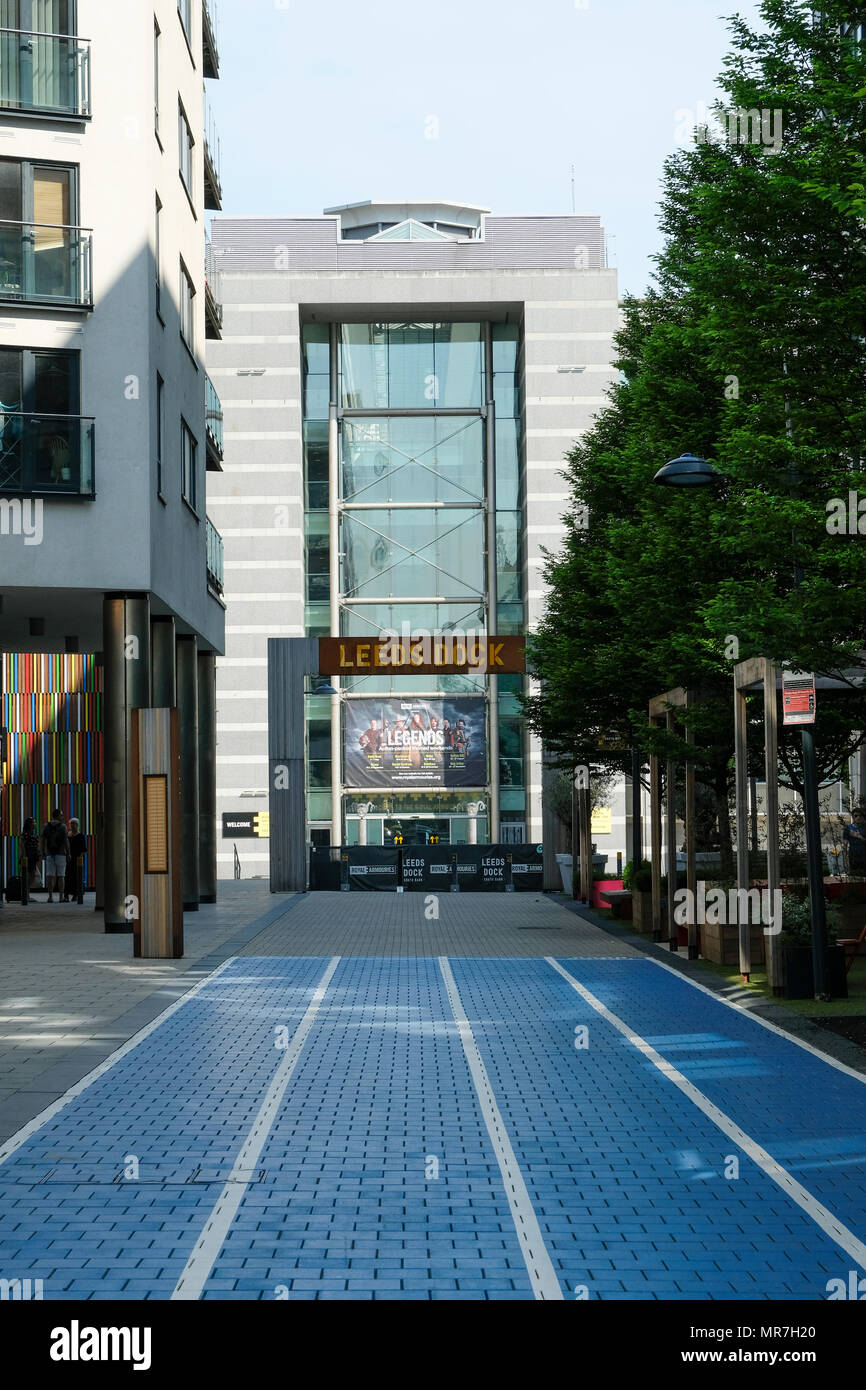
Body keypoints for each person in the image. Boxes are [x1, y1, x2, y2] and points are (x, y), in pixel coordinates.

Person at [41, 807, 69, 903]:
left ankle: (50, 897)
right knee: (61, 875)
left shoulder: (46, 826)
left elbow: (43, 840)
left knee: (50, 875)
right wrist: (68, 853)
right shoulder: (63, 826)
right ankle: (61, 897)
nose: (62, 817)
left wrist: (43, 851)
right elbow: (66, 841)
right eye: (61, 815)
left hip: (49, 854)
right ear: (57, 816)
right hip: (61, 854)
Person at [64, 818, 86, 903]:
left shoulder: (80, 835)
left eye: (74, 823)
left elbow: (83, 849)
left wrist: (80, 860)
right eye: (71, 823)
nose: (72, 825)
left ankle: (75, 894)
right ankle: (66, 894)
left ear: (77, 825)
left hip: (77, 859)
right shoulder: (68, 835)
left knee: (76, 876)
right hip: (68, 858)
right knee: (67, 876)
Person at [21, 817, 41, 901]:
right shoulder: (26, 833)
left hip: (33, 855)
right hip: (28, 856)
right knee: (30, 875)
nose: (35, 824)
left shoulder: (32, 833)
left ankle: (27, 893)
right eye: (34, 822)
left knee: (32, 875)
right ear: (29, 824)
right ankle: (26, 894)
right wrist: (25, 856)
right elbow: (22, 845)